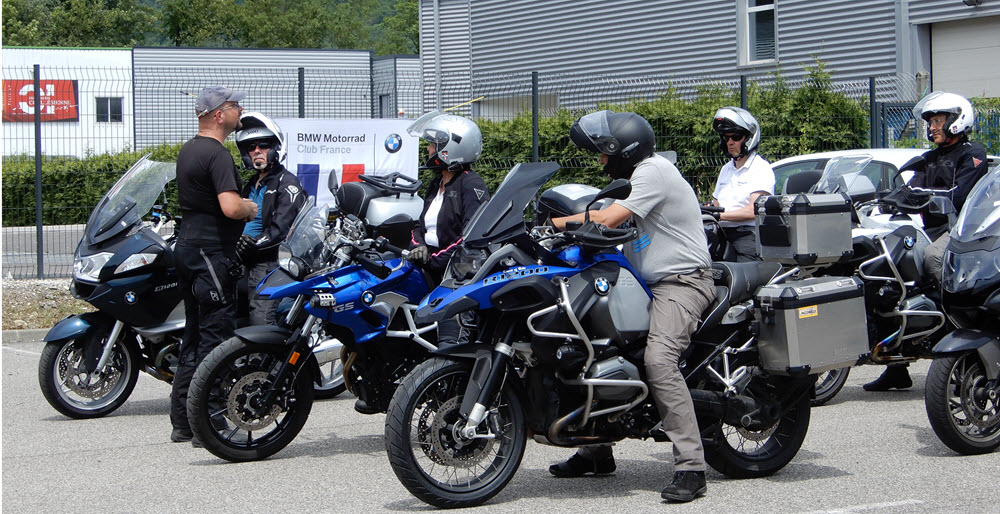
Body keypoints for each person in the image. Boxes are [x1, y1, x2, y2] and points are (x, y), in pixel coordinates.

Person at [549, 110, 715, 503]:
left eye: (604, 153)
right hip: (643, 284)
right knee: (589, 347)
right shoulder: (632, 182)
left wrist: (550, 225)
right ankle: (595, 451)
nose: (601, 161)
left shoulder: (653, 172)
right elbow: (601, 219)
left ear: (623, 149)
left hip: (682, 282)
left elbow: (607, 218)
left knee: (659, 360)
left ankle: (691, 467)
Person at [864, 91, 988, 392]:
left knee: (933, 256)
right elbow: (910, 190)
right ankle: (896, 367)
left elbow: (959, 195)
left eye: (937, 120)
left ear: (956, 120)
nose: (932, 127)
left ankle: (960, 322)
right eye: (930, 122)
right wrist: (887, 197)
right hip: (931, 230)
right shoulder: (928, 159)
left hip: (962, 232)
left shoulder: (973, 154)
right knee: (889, 271)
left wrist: (920, 196)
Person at [170, 86, 258, 445]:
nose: (241, 110)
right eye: (235, 105)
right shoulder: (217, 154)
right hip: (212, 254)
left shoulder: (188, 149)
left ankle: (182, 420)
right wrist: (250, 208)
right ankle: (209, 424)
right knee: (215, 340)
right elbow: (231, 207)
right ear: (219, 115)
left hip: (188, 250)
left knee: (193, 336)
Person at [235, 112, 306, 326]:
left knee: (260, 321)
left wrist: (252, 244)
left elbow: (281, 231)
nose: (257, 151)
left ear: (275, 148)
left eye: (264, 145)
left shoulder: (287, 183)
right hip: (242, 260)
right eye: (251, 147)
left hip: (268, 263)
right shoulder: (251, 184)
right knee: (233, 318)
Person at [406, 110, 490, 283]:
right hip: (427, 266)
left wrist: (432, 260)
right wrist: (418, 247)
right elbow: (420, 226)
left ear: (450, 148)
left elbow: (470, 237)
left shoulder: (471, 183)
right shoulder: (435, 184)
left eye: (433, 144)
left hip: (453, 274)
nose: (429, 149)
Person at [709, 107, 775, 262]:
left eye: (736, 137)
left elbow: (754, 210)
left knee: (741, 273)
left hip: (747, 235)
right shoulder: (726, 169)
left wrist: (719, 215)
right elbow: (715, 204)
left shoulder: (760, 168)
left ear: (748, 138)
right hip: (722, 233)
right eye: (726, 138)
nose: (730, 142)